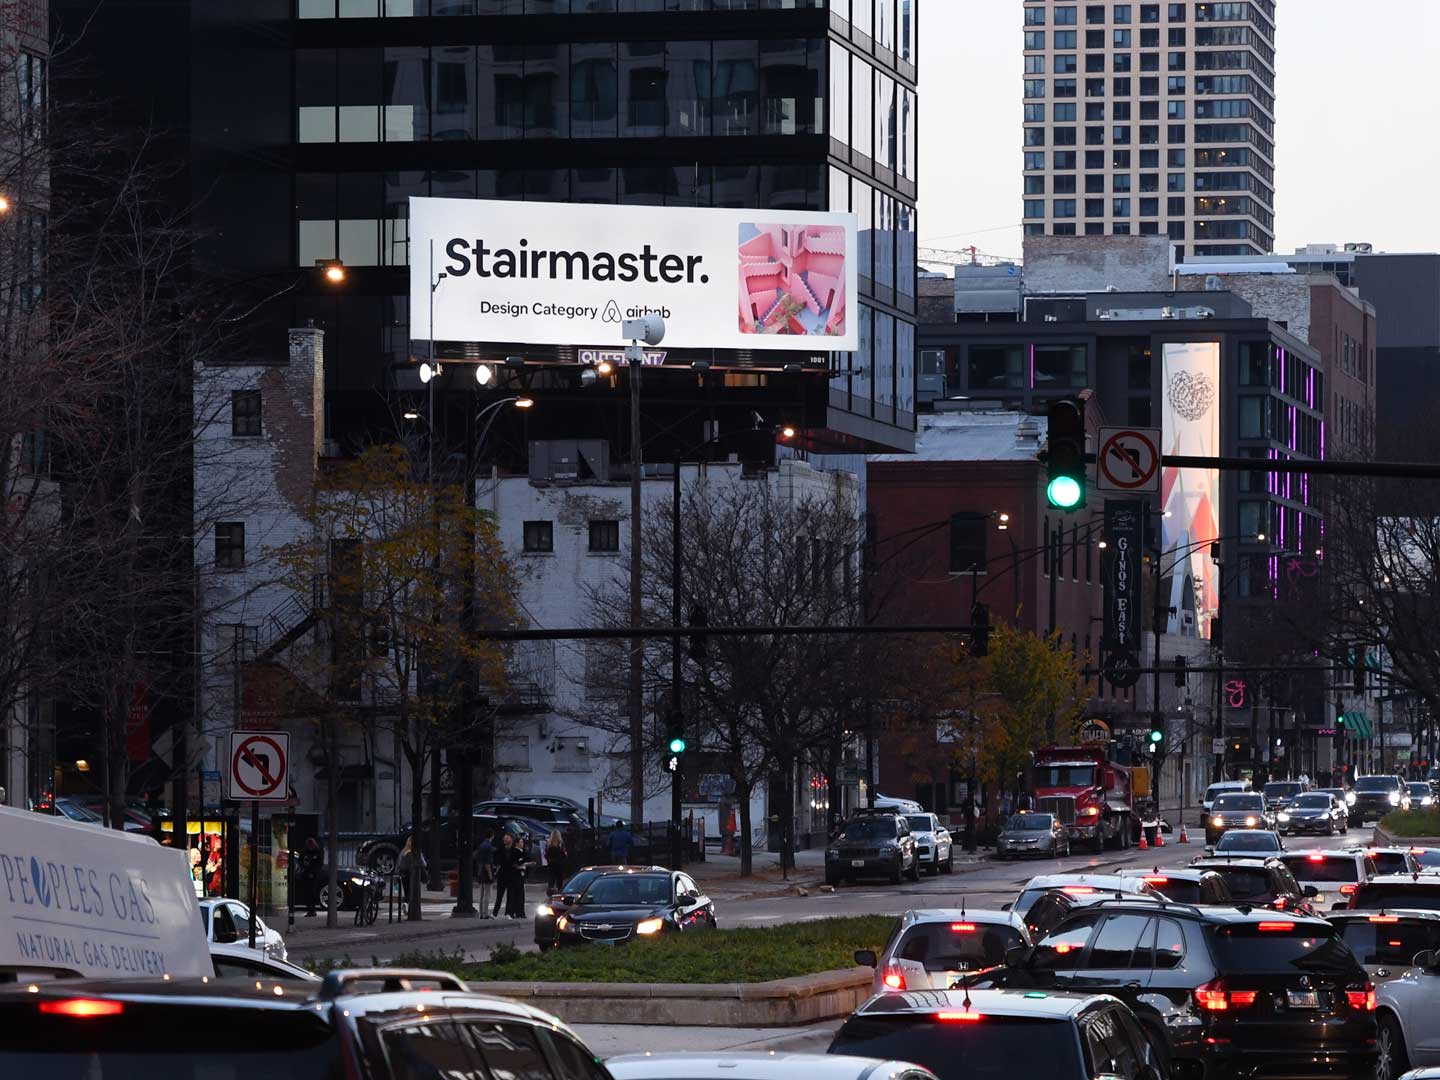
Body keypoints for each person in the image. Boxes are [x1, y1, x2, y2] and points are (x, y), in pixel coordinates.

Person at [492, 831, 526, 919]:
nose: (505, 839)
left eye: (507, 838)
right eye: (505, 838)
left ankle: (508, 913)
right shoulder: (500, 849)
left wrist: (518, 864)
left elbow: (522, 859)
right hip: (502, 874)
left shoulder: (514, 850)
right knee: (499, 895)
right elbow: (495, 858)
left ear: (511, 839)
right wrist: (497, 865)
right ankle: (494, 913)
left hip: (511, 874)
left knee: (510, 895)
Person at [397, 837, 426, 907]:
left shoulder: (403, 851)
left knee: (407, 891)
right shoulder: (416, 852)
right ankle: (411, 907)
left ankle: (406, 903)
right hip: (413, 874)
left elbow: (399, 864)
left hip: (404, 874)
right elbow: (424, 864)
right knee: (413, 891)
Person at [298, 837, 323, 917]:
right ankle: (309, 909)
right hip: (306, 874)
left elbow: (319, 864)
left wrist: (313, 872)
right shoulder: (305, 852)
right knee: (307, 893)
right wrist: (304, 868)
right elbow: (300, 861)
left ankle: (312, 910)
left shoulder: (317, 852)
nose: (310, 847)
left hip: (314, 875)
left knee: (312, 893)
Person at [475, 830, 495, 918]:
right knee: (487, 894)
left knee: (482, 894)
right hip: (486, 872)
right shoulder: (489, 846)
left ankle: (481, 914)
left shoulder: (481, 845)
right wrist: (490, 875)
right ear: (492, 836)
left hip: (481, 871)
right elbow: (488, 863)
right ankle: (485, 913)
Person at [544, 829, 568, 894]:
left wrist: (549, 860)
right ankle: (559, 891)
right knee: (559, 879)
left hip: (551, 864)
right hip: (559, 864)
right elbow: (564, 854)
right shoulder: (560, 844)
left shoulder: (548, 844)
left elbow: (545, 854)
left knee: (551, 878)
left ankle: (550, 891)